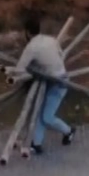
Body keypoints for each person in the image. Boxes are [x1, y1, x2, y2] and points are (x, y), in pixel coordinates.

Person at [10, 13, 77, 155]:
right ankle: (37, 144)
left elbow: (19, 70)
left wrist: (14, 76)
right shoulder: (51, 40)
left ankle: (69, 131)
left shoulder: (31, 48)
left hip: (59, 83)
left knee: (47, 117)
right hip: (52, 80)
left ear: (27, 32)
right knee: (40, 113)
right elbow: (60, 55)